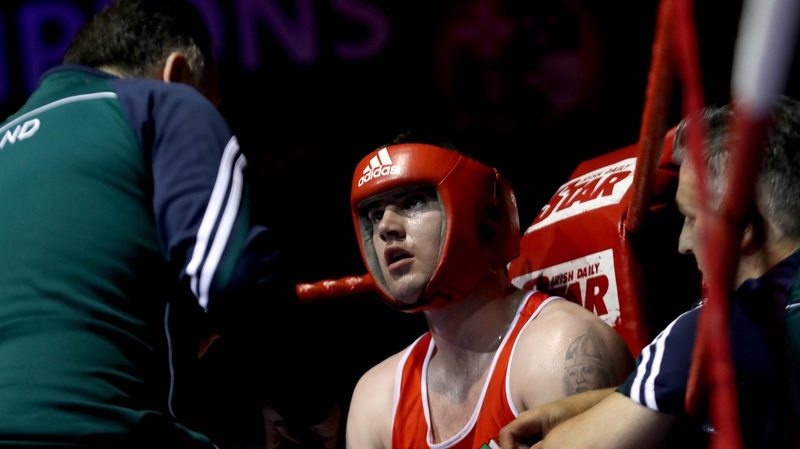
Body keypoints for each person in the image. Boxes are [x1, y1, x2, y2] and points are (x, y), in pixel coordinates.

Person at [0, 0, 338, 447]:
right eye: (211, 102)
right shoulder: (162, 104)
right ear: (178, 74)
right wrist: (304, 400)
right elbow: (233, 277)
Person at [498, 96, 800, 449]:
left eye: (690, 216)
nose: (683, 244)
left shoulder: (719, 329)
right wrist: (589, 404)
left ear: (742, 224)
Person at [344, 133, 634, 448]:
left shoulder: (557, 352)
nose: (386, 227)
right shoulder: (376, 400)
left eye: (412, 202)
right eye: (374, 214)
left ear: (483, 218)